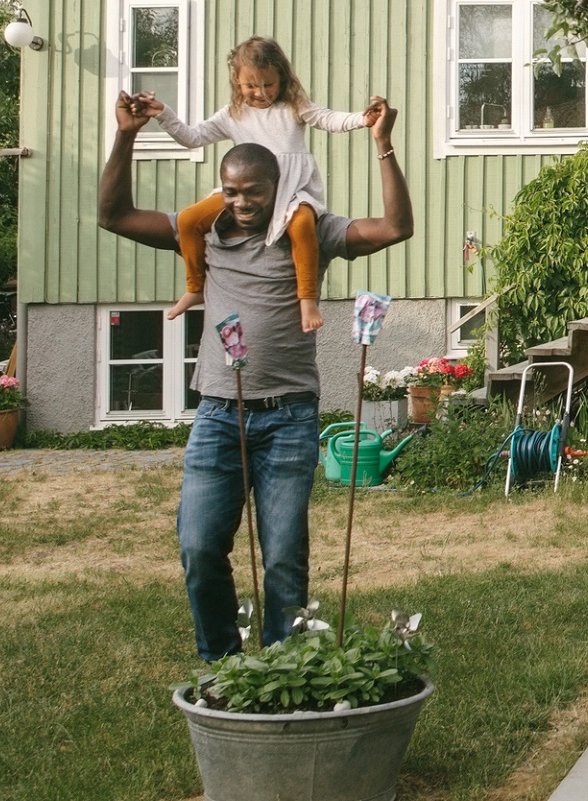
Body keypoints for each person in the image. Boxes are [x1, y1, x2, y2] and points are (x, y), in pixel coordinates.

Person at [97, 91, 412, 661]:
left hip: (290, 417)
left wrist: (382, 144)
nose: (242, 203)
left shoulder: (308, 231)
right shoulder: (206, 233)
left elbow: (395, 227)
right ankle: (226, 664)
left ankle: (285, 667)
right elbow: (113, 215)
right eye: (232, 191)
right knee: (198, 547)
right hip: (218, 414)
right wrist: (126, 134)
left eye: (254, 192)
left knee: (284, 557)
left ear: (278, 189)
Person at [137, 36, 387, 334]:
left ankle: (307, 299)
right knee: (190, 220)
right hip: (247, 194)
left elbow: (328, 119)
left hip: (292, 191)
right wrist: (164, 113)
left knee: (303, 226)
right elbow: (193, 137)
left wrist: (362, 118)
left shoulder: (292, 107)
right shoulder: (232, 115)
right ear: (237, 82)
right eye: (250, 86)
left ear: (281, 77)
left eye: (268, 84)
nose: (260, 93)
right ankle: (195, 286)